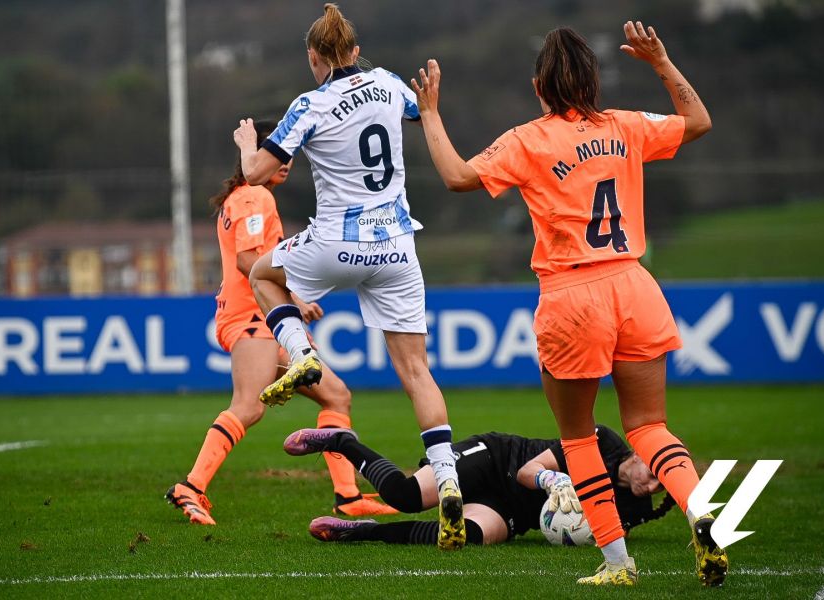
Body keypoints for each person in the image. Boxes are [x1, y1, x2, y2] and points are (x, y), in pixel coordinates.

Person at [409, 22, 727, 585]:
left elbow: (459, 176)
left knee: (579, 438)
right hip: (634, 284)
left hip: (572, 295)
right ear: (593, 80)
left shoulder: (529, 139)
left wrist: (430, 113)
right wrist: (661, 62)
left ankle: (617, 564)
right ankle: (700, 516)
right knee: (650, 427)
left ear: (540, 86)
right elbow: (699, 122)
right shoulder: (627, 126)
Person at [231, 4, 465, 549]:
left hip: (339, 240)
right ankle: (449, 481)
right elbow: (418, 109)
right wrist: (427, 100)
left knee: (265, 276)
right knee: (417, 372)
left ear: (314, 57)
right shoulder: (385, 83)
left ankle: (303, 355)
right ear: (356, 52)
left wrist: (247, 145)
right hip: (398, 246)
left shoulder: (310, 103)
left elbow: (256, 174)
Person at [166, 120, 396, 525]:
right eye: (278, 151)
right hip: (252, 317)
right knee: (249, 406)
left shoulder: (246, 196)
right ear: (256, 157)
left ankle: (347, 496)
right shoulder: (255, 196)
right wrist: (296, 296)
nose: (286, 160)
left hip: (262, 318)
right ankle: (192, 486)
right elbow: (248, 259)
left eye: (289, 152)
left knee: (336, 396)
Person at [284, 424, 674, 547]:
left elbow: (593, 532)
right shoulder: (601, 441)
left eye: (662, 485)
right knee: (403, 496)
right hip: (496, 461)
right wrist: (554, 481)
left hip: (514, 513)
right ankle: (341, 442)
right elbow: (527, 471)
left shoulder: (640, 506)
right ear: (639, 454)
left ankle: (364, 533)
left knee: (459, 536)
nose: (654, 487)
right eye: (655, 474)